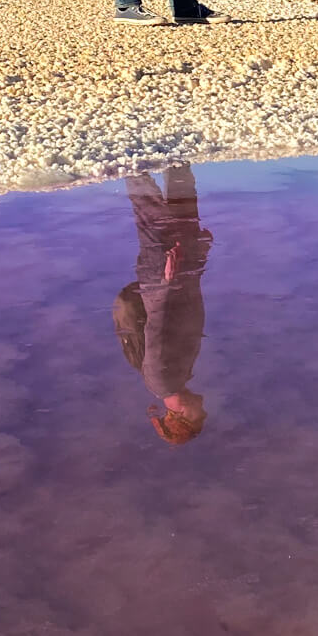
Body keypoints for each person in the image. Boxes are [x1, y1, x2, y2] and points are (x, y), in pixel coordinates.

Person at [113, 163, 214, 444]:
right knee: (182, 200)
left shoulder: (160, 380)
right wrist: (199, 259)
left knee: (150, 208)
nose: (203, 408)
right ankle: (174, 152)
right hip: (180, 271)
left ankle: (128, 155)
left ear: (182, 414)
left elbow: (156, 325)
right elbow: (191, 312)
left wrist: (166, 282)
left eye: (199, 415)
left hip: (164, 274)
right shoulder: (180, 375)